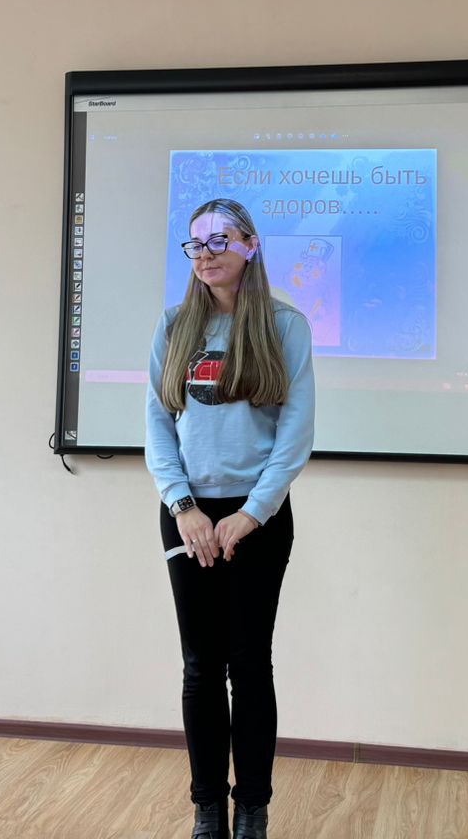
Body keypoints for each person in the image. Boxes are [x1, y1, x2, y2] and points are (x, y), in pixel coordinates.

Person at [145, 198, 316, 839]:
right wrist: (183, 506)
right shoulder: (173, 326)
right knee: (200, 667)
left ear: (251, 245)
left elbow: (295, 434)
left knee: (249, 665)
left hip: (257, 517)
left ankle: (252, 811)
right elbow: (157, 425)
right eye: (196, 244)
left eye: (220, 240)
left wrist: (251, 514)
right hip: (187, 515)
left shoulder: (284, 325)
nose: (206, 253)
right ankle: (208, 810)